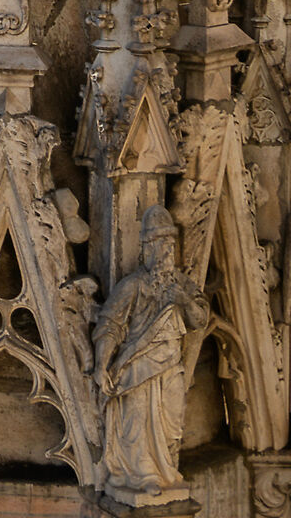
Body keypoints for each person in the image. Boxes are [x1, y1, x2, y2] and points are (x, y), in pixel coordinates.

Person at [94, 204, 207, 495]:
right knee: (137, 423)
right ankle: (142, 476)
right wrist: (101, 364)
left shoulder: (181, 284)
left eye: (171, 245)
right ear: (147, 249)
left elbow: (200, 319)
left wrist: (182, 299)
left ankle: (165, 469)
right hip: (136, 367)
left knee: (172, 419)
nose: (168, 252)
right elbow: (110, 325)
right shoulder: (133, 286)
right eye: (160, 245)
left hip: (170, 364)